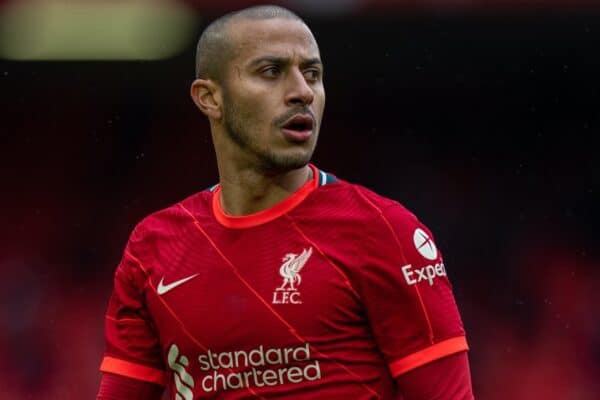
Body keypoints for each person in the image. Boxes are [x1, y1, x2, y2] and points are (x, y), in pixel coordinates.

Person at [96, 4, 474, 399]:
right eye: (271, 72)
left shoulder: (384, 231)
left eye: (312, 74)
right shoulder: (153, 246)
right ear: (209, 97)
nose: (302, 92)